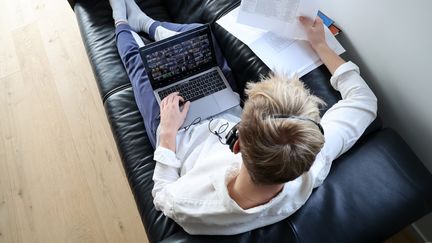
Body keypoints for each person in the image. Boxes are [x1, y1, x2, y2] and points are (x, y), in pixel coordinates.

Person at [109, 0, 378, 235]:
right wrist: (320, 45)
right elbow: (364, 101)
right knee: (198, 36)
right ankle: (149, 23)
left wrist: (167, 133)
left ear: (235, 143)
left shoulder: (192, 206)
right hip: (224, 109)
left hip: (180, 134)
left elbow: (161, 193)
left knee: (140, 66)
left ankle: (122, 21)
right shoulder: (311, 160)